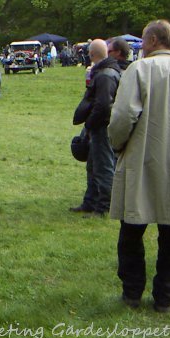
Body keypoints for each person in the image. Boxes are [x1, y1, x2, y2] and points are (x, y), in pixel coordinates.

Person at [108, 20, 170, 312]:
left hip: (142, 157)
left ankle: (132, 292)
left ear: (154, 40)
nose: (140, 47)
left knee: (132, 228)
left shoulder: (139, 70)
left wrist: (117, 145)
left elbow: (122, 117)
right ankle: (165, 297)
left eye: (143, 41)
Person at [70, 39, 121, 216]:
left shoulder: (105, 74)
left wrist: (90, 123)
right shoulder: (106, 71)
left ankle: (103, 207)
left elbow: (104, 105)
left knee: (103, 167)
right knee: (93, 166)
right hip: (99, 126)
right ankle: (90, 202)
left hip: (102, 127)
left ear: (91, 54)